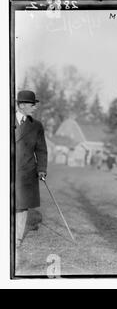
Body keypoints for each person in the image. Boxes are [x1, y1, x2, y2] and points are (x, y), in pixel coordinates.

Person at [15, 90, 48, 248]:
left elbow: (41, 150)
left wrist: (41, 169)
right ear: (21, 105)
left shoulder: (36, 126)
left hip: (26, 173)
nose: (34, 107)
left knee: (21, 207)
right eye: (31, 104)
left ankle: (17, 239)